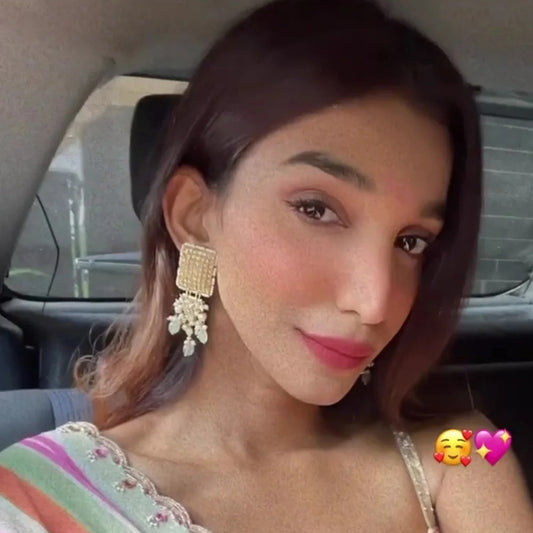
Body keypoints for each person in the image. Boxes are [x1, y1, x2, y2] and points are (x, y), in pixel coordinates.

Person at [1, 0, 532, 531]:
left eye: (411, 242)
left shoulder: (463, 449)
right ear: (195, 216)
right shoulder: (35, 497)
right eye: (317, 210)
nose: (374, 302)